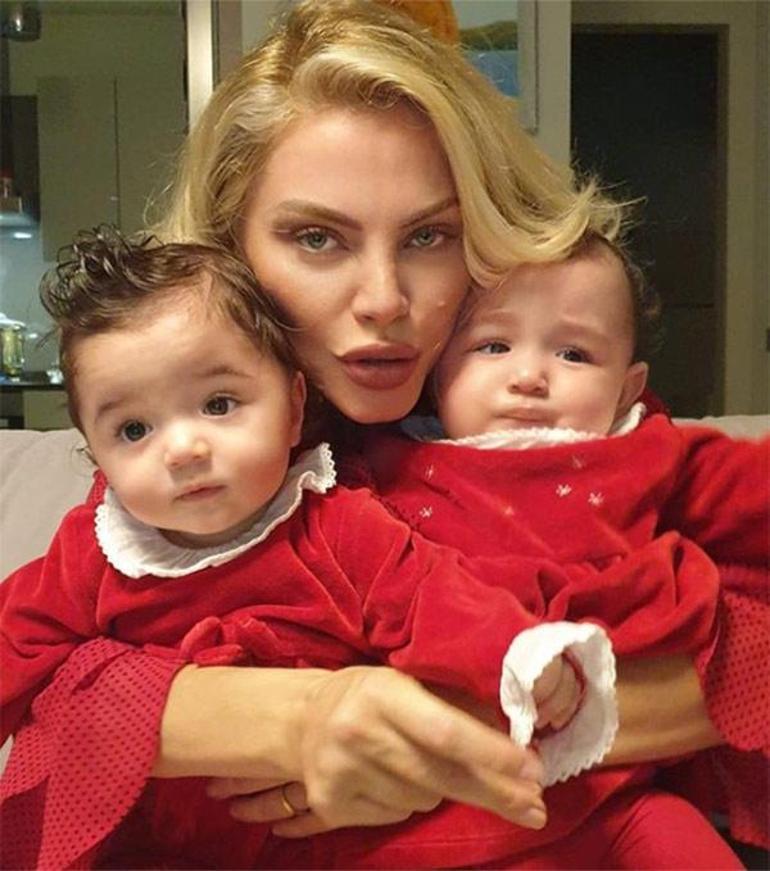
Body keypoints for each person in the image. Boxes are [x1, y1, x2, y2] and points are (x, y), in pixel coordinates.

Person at [0, 0, 759, 867]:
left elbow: (748, 652)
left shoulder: (560, 425)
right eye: (317, 238)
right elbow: (63, 682)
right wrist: (302, 719)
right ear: (229, 246)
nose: (384, 301)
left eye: (429, 235)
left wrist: (441, 736)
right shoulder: (193, 439)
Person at [360, 231, 770, 857]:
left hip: (625, 791)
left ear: (627, 389)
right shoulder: (389, 466)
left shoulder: (645, 451)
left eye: (574, 354)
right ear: (437, 373)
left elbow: (748, 489)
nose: (529, 377)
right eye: (493, 346)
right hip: (455, 801)